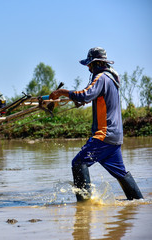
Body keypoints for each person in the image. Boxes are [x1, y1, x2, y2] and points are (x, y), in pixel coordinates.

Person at [49, 47, 143, 201]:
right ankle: (141, 203)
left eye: (89, 65)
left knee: (78, 163)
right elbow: (90, 97)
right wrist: (75, 99)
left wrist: (61, 92)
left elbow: (85, 95)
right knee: (121, 173)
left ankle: (84, 208)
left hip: (104, 135)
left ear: (96, 64)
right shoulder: (111, 79)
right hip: (115, 136)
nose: (88, 68)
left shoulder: (101, 77)